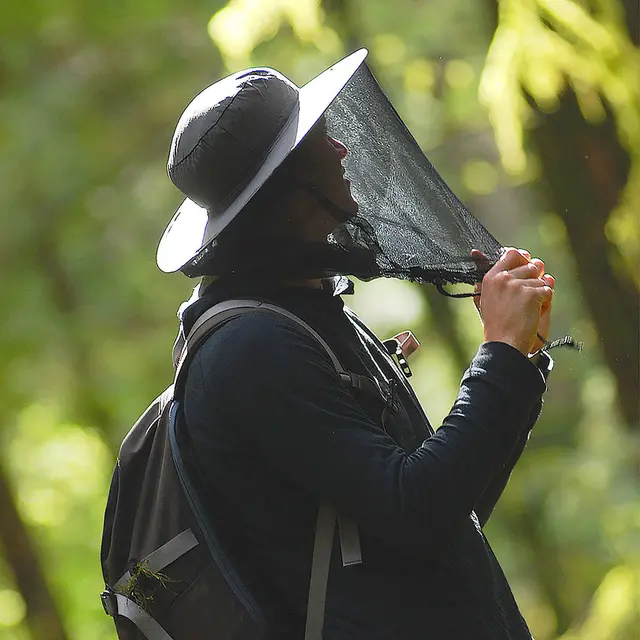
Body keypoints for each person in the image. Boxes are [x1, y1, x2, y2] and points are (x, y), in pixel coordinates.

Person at [158, 50, 555, 639]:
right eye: (321, 139)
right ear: (288, 187)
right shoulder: (250, 349)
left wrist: (518, 355)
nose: (343, 149)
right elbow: (415, 511)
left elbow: (451, 510)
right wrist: (497, 354)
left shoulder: (304, 315)